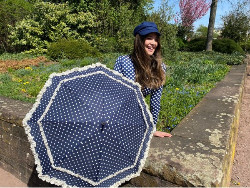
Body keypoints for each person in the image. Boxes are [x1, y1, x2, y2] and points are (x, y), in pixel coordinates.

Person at [114, 21, 172, 138]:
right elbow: (114, 95)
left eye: (156, 39)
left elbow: (155, 101)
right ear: (140, 40)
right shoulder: (123, 62)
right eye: (149, 38)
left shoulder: (159, 67)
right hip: (117, 117)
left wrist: (152, 128)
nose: (153, 43)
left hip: (138, 119)